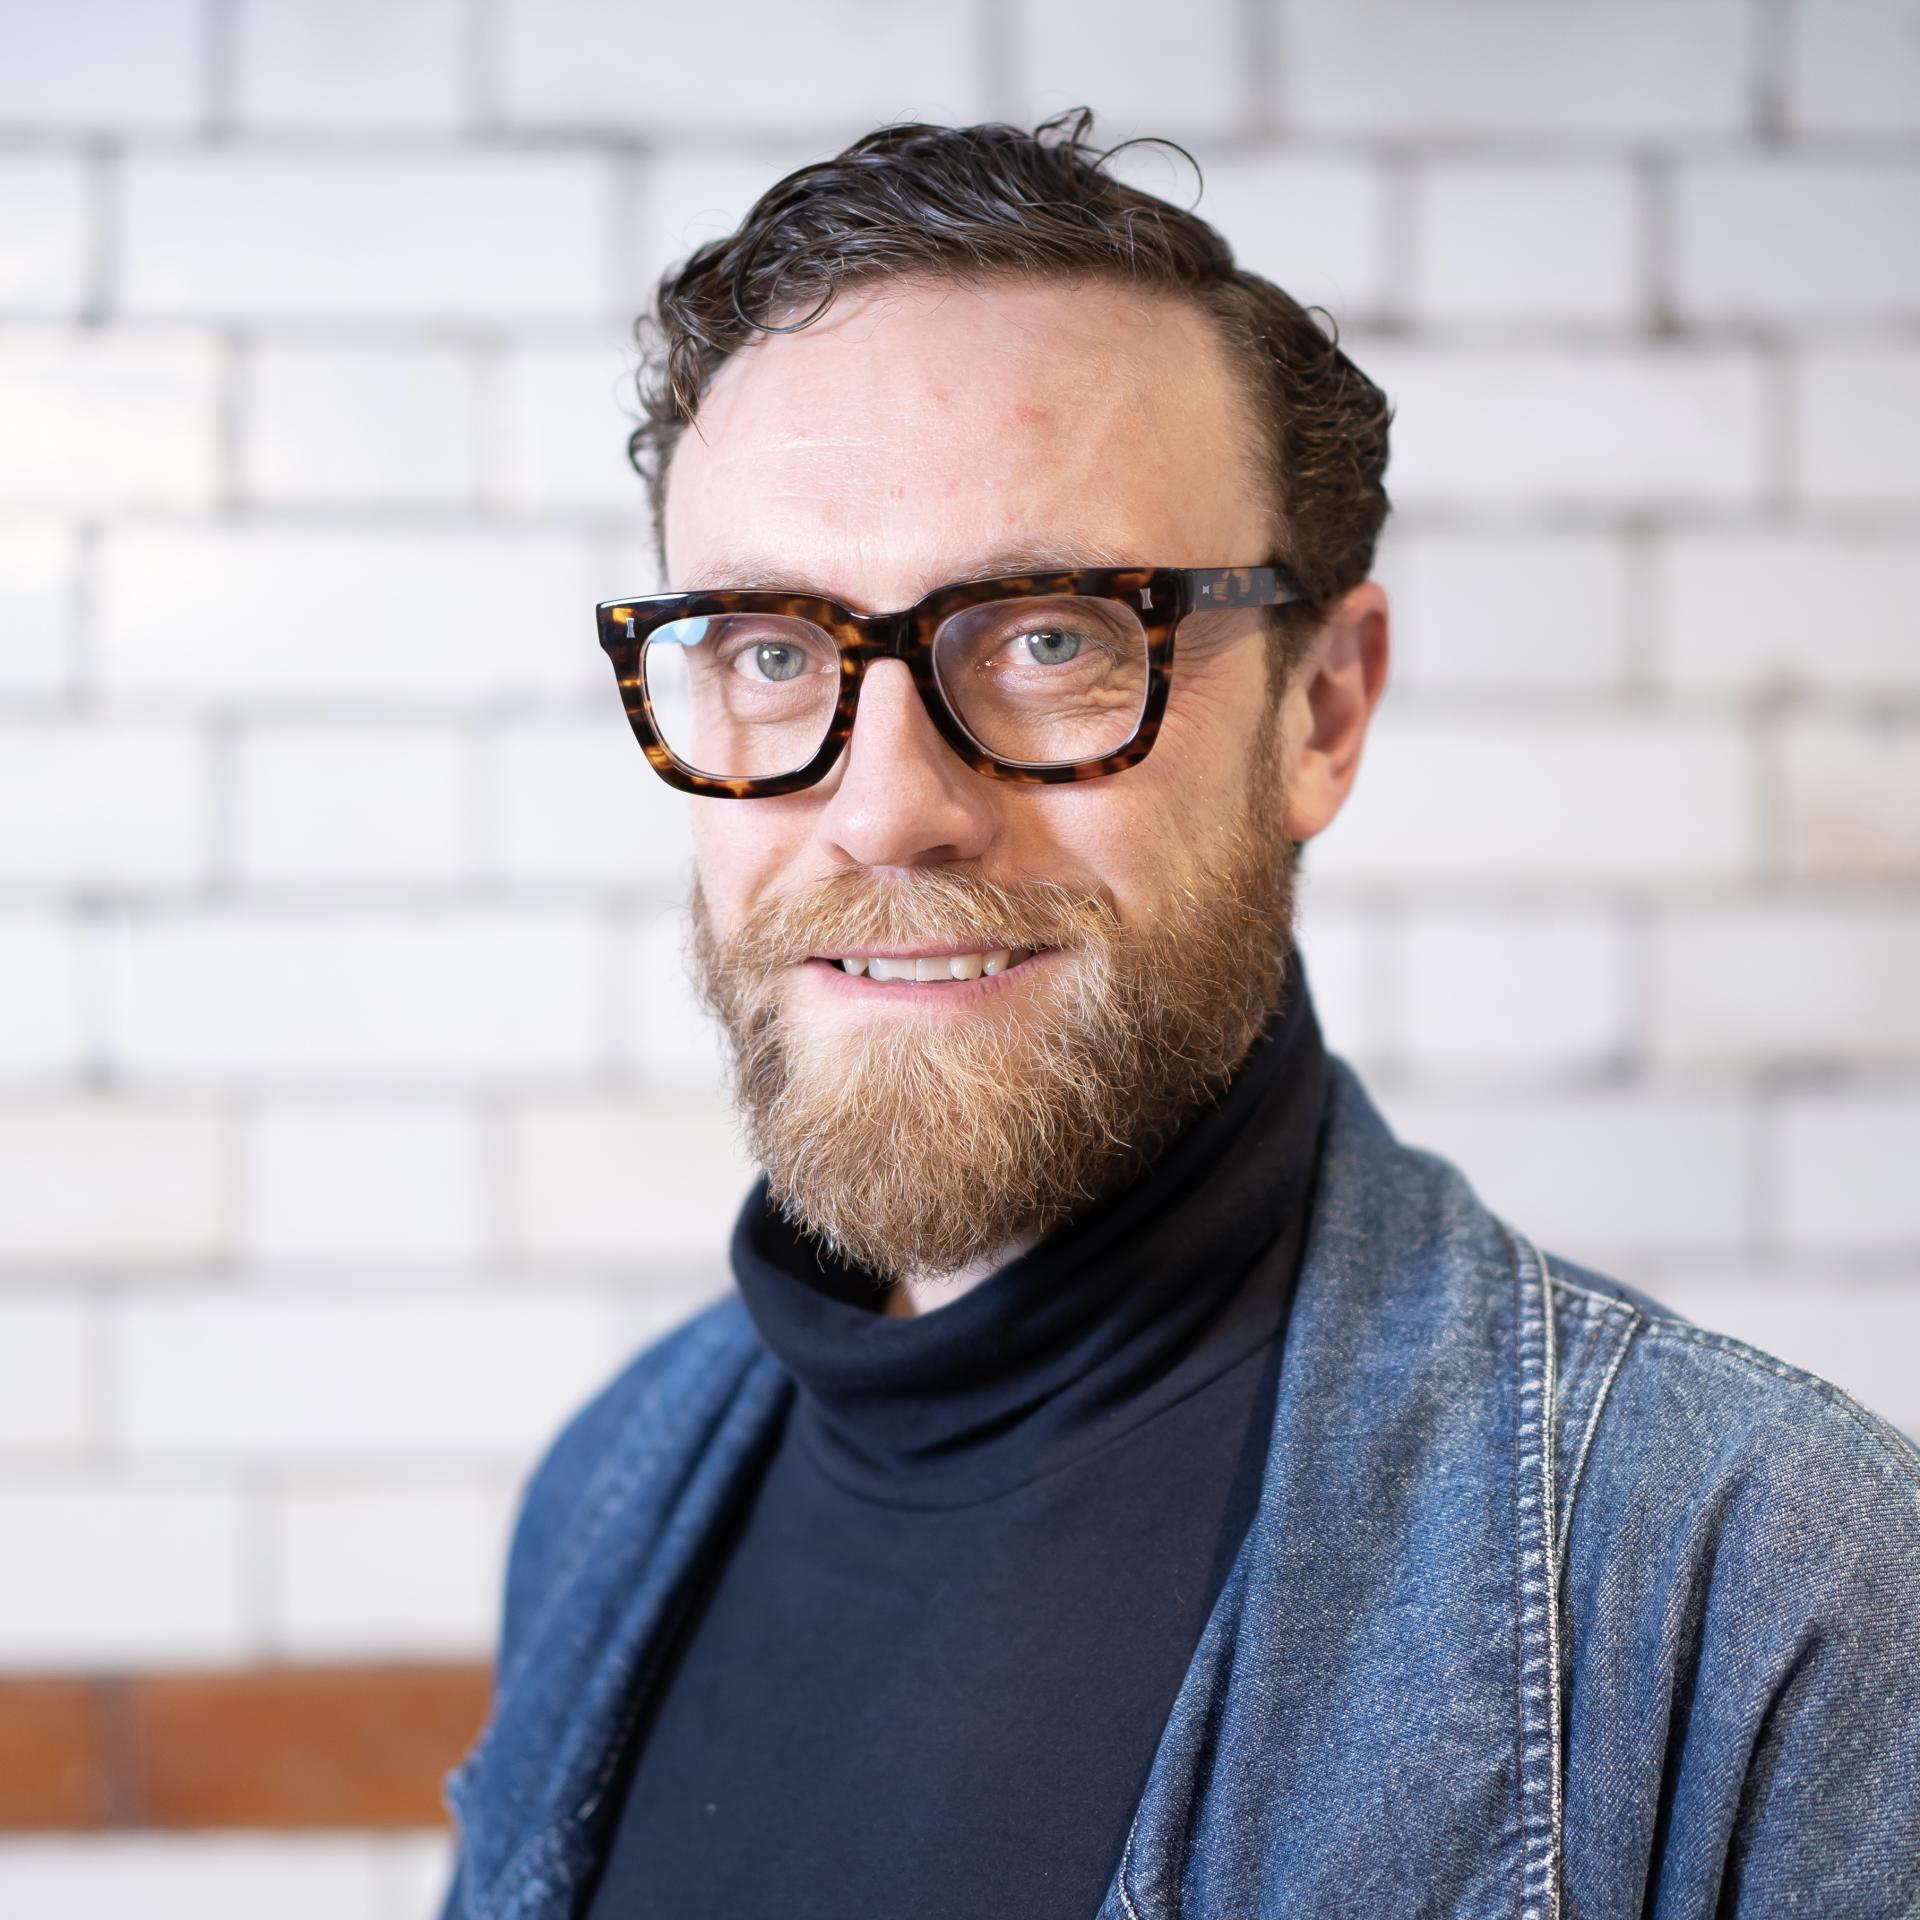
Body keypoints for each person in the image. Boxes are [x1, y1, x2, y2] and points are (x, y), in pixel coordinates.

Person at [435, 113, 1920, 1920]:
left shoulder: (1761, 1591)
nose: (887, 806)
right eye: (768, 649)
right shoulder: (606, 1492)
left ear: (1323, 711)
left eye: (1053, 636)